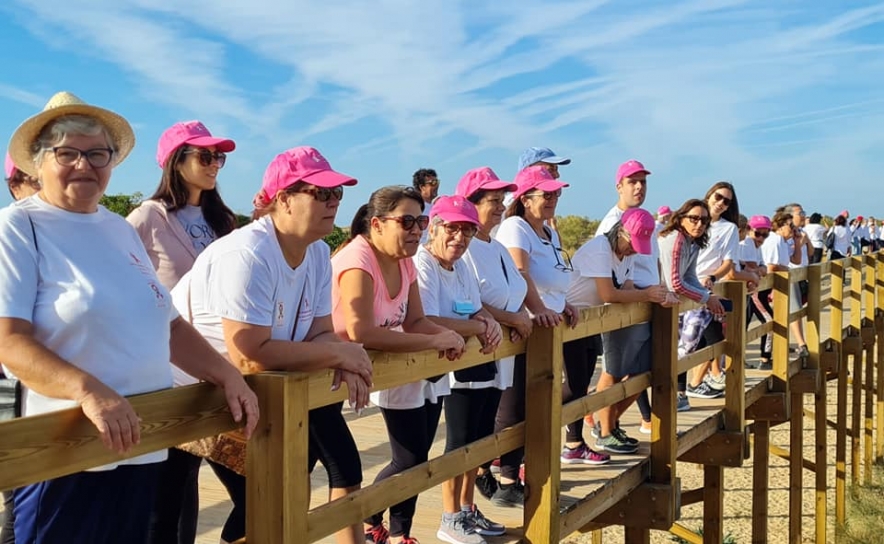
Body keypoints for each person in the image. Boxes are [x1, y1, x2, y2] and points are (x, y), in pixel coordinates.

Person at [0, 91, 258, 544]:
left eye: (98, 153)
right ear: (39, 162)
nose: (85, 164)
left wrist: (226, 376)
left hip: (139, 444)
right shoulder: (18, 226)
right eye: (67, 153)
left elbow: (170, 324)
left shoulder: (118, 228)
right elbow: (9, 341)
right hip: (64, 452)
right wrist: (90, 391)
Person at [172, 146, 371, 544]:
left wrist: (343, 356)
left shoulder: (315, 253)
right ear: (283, 199)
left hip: (237, 390)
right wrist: (340, 352)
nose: (333, 203)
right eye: (321, 193)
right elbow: (250, 351)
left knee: (269, 499)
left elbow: (318, 330)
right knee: (169, 521)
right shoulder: (249, 253)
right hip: (179, 390)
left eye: (338, 194)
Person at [330, 185, 466, 544]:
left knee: (411, 457)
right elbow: (360, 329)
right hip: (323, 375)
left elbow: (417, 320)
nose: (417, 230)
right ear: (376, 224)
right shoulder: (357, 259)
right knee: (363, 468)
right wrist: (432, 341)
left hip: (377, 369)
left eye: (421, 221)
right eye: (406, 221)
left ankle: (384, 527)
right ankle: (373, 522)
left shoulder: (406, 261)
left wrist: (449, 336)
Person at [125, 120, 238, 544]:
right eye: (205, 156)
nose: (215, 165)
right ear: (176, 161)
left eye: (219, 157)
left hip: (222, 365)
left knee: (245, 485)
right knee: (171, 488)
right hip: (169, 368)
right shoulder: (146, 217)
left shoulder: (224, 220)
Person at [496, 165, 605, 506]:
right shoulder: (516, 227)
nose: (553, 199)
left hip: (548, 325)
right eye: (546, 194)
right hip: (526, 325)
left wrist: (565, 303)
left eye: (557, 193)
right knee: (516, 404)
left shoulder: (548, 231)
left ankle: (520, 466)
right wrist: (540, 307)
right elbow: (519, 271)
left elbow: (557, 276)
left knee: (552, 394)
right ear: (525, 198)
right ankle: (506, 476)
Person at [411, 194, 504, 544]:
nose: (459, 237)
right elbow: (430, 319)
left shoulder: (461, 264)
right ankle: (449, 516)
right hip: (440, 372)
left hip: (471, 361)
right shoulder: (424, 262)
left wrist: (486, 320)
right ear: (434, 228)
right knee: (457, 442)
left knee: (477, 440)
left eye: (467, 230)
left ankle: (466, 509)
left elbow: (474, 309)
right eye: (451, 228)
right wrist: (479, 326)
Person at [454, 168, 531, 525]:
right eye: (493, 201)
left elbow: (515, 291)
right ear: (471, 205)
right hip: (473, 354)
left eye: (502, 201)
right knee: (464, 439)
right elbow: (470, 301)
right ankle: (456, 512)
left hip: (501, 354)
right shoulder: (463, 247)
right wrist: (512, 319)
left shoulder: (496, 246)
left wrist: (523, 315)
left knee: (482, 436)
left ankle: (470, 508)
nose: (501, 207)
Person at [567, 208, 671, 454]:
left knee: (580, 385)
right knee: (572, 386)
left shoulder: (627, 254)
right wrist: (647, 294)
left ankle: (581, 440)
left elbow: (627, 285)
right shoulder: (600, 249)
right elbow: (609, 294)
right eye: (632, 243)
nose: (634, 249)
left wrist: (653, 294)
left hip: (588, 324)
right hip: (570, 322)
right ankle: (554, 434)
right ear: (621, 231)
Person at [594, 160, 658, 427]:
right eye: (633, 181)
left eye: (643, 181)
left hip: (645, 301)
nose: (639, 187)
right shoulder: (612, 223)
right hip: (627, 305)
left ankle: (604, 421)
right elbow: (607, 274)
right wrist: (641, 294)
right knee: (614, 370)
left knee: (642, 372)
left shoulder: (644, 218)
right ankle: (604, 428)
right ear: (619, 186)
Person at [0, 153, 42, 544]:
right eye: (33, 179)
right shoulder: (11, 228)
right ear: (15, 186)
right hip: (12, 386)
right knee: (20, 495)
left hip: (38, 385)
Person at [683, 182, 748, 402]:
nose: (720, 203)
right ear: (709, 194)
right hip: (682, 285)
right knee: (685, 342)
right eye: (718, 197)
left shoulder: (728, 228)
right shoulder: (692, 217)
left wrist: (712, 277)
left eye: (726, 201)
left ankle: (689, 387)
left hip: (705, 289)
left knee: (698, 341)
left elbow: (729, 262)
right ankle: (687, 388)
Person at [657, 199, 726, 391]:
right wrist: (706, 298)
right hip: (658, 303)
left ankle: (676, 394)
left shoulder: (692, 242)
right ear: (680, 219)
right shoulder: (676, 239)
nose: (699, 224)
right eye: (694, 218)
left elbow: (690, 276)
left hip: (670, 303)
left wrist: (707, 295)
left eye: (704, 221)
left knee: (676, 352)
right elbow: (675, 283)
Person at [760, 211, 800, 369]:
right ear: (781, 226)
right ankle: (764, 360)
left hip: (769, 288)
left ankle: (767, 357)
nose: (793, 229)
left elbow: (796, 260)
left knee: (768, 322)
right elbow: (771, 266)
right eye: (791, 225)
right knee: (769, 322)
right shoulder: (774, 240)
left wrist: (797, 241)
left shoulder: (783, 242)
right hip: (760, 289)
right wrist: (786, 270)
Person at [741, 215, 772, 369]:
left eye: (765, 234)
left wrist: (758, 269)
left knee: (742, 326)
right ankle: (764, 358)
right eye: (758, 233)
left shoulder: (756, 246)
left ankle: (742, 360)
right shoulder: (746, 244)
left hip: (750, 292)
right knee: (769, 321)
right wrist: (758, 269)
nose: (761, 238)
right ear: (749, 230)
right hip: (747, 293)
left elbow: (763, 268)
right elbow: (754, 267)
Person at [413, 168, 439, 243]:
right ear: (422, 187)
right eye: (433, 183)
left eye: (437, 182)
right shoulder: (416, 208)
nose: (436, 186)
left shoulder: (436, 207)